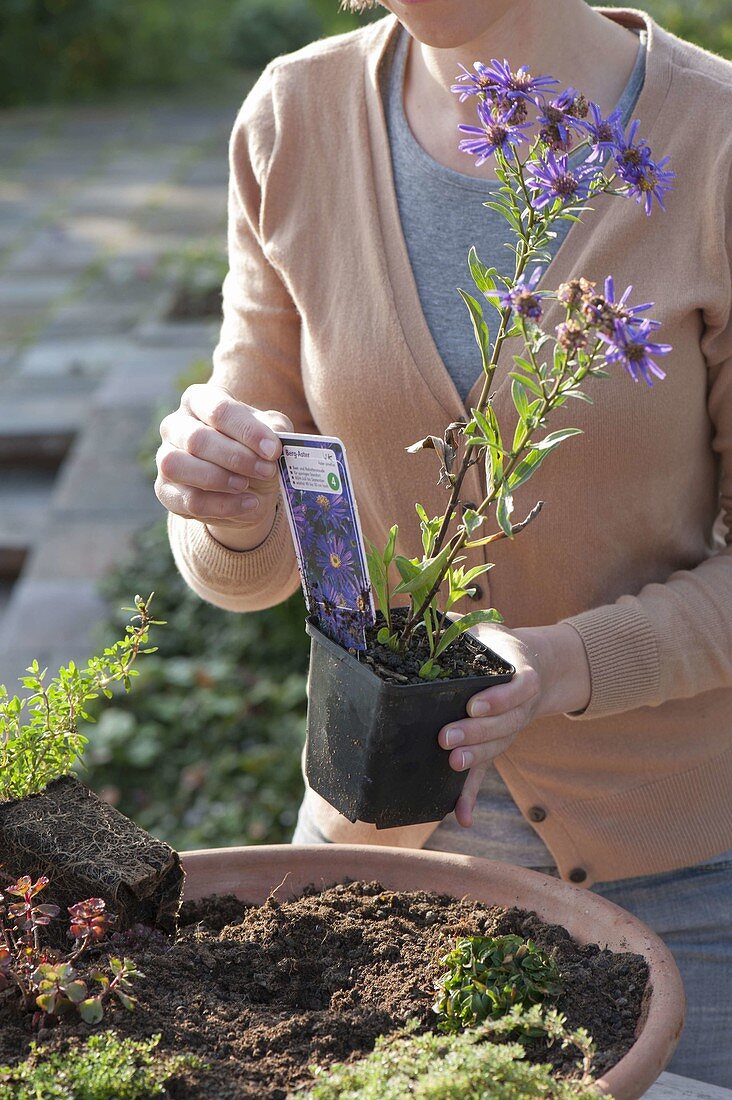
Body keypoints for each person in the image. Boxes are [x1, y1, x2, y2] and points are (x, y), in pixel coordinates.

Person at [155, 0, 732, 1084]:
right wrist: (229, 507)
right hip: (368, 879)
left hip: (686, 892)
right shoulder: (296, 116)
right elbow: (254, 556)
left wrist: (565, 664)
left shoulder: (716, 142)